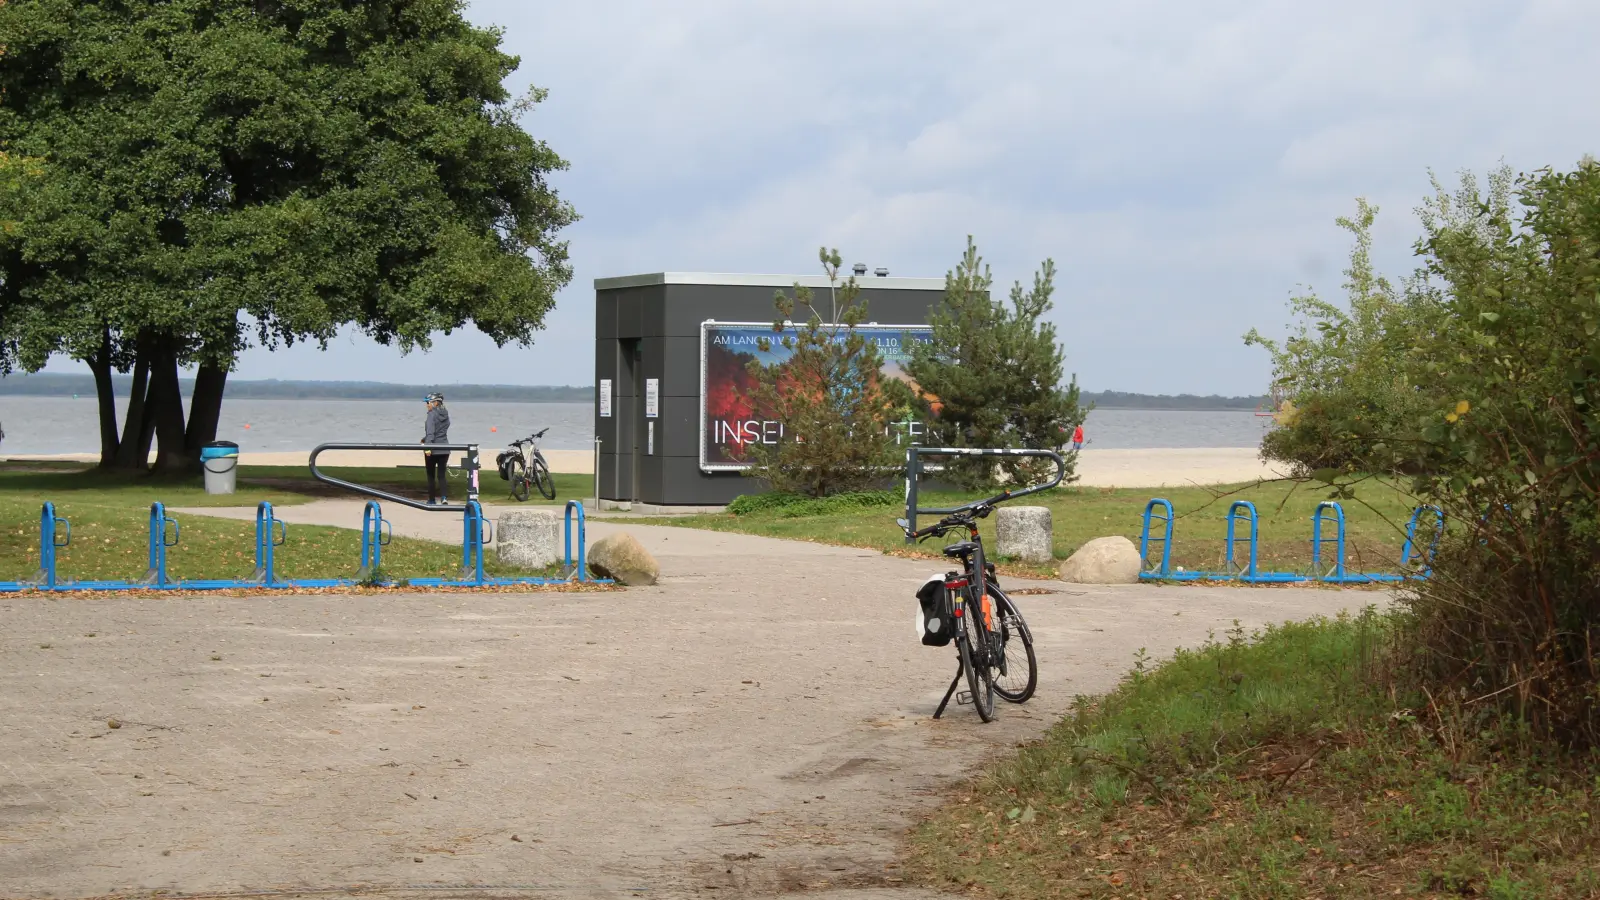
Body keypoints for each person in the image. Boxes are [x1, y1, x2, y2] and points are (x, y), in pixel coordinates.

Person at [421, 393, 451, 505]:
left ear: (435, 403)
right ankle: (444, 498)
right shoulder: (446, 414)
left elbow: (431, 432)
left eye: (428, 402)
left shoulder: (431, 414)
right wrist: (424, 439)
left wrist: (427, 447)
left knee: (430, 475)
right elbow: (440, 431)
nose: (427, 405)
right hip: (445, 447)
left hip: (433, 448)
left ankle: (432, 500)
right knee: (442, 475)